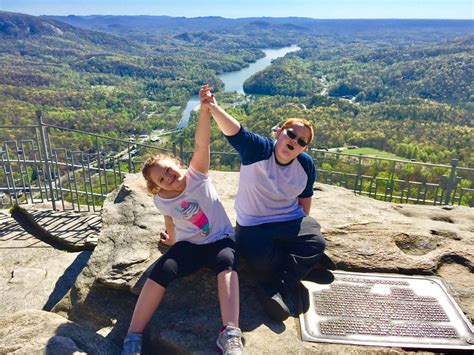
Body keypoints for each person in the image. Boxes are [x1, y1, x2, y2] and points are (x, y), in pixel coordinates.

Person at [121, 86, 243, 355]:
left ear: (177, 164)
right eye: (161, 178)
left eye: (168, 169)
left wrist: (205, 109)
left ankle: (231, 333)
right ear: (156, 187)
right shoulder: (161, 200)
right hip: (189, 246)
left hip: (220, 239)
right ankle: (133, 337)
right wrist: (172, 239)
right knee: (161, 273)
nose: (168, 177)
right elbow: (170, 219)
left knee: (227, 264)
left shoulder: (197, 174)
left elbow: (202, 143)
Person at [200, 87, 334, 322]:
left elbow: (305, 199)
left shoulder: (306, 164)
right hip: (253, 225)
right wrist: (212, 107)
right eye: (291, 134)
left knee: (315, 240)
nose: (294, 142)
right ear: (279, 132)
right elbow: (235, 131)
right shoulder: (259, 150)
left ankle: (276, 288)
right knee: (260, 261)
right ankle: (300, 268)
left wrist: (299, 231)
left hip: (289, 220)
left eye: (301, 141)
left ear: (304, 148)